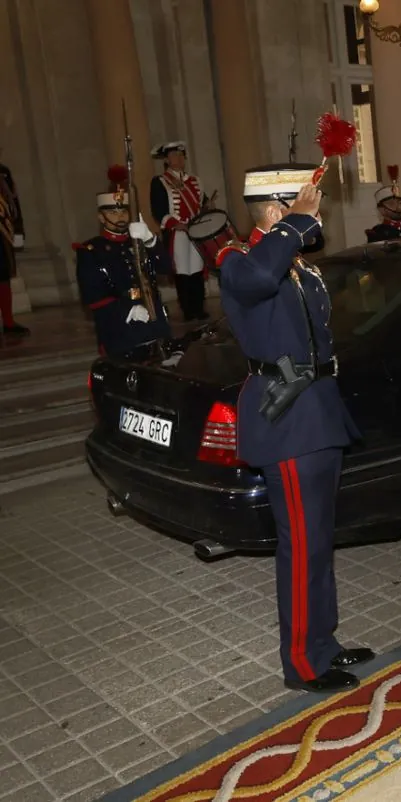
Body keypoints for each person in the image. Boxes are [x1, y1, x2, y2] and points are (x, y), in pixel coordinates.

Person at [219, 163, 373, 694]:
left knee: (319, 542)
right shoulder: (239, 262)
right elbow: (260, 279)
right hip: (286, 420)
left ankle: (323, 644)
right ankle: (303, 663)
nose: (318, 213)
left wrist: (294, 232)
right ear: (274, 209)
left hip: (318, 412)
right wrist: (293, 225)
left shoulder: (301, 268)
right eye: (308, 202)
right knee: (302, 545)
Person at [75, 166, 171, 358]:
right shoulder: (91, 251)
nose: (119, 217)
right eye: (112, 213)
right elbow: (93, 296)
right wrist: (129, 309)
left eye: (124, 212)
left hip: (155, 322)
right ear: (101, 217)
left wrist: (150, 239)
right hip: (120, 327)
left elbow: (166, 267)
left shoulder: (138, 241)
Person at [150, 141, 211, 321]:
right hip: (177, 232)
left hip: (195, 230)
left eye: (181, 155)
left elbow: (201, 203)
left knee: (197, 269)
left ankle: (199, 308)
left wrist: (207, 207)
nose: (179, 158)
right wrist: (174, 224)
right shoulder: (160, 182)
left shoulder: (195, 180)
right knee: (183, 271)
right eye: (174, 155)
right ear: (167, 160)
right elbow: (158, 209)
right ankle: (187, 310)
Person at [0, 157, 29, 337]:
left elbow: (13, 204)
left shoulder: (3, 172)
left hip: (2, 232)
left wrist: (18, 230)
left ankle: (8, 322)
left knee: (3, 274)